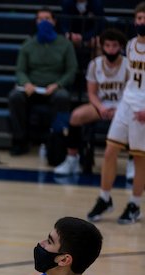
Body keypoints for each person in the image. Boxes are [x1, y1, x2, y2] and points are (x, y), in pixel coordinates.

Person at [87, 3, 145, 225]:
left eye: (144, 18)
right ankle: (105, 199)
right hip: (126, 103)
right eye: (139, 18)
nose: (141, 22)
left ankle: (134, 205)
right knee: (110, 152)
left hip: (142, 109)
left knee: (139, 159)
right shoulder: (130, 45)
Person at [54, 29, 128, 177]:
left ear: (121, 47)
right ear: (102, 47)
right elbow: (92, 94)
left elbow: (132, 94)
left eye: (114, 46)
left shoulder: (129, 65)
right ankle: (72, 160)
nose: (111, 49)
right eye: (107, 45)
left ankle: (132, 162)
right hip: (100, 105)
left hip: (123, 105)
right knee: (76, 116)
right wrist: (100, 107)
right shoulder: (94, 65)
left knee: (135, 119)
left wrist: (120, 108)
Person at [8, 8, 78, 156]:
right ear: (36, 22)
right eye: (40, 19)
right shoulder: (28, 44)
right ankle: (20, 140)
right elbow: (20, 70)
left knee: (62, 97)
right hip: (31, 88)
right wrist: (26, 83)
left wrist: (58, 84)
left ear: (54, 21)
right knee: (15, 96)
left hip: (54, 87)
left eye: (47, 18)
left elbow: (72, 70)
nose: (43, 21)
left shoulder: (65, 44)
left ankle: (58, 140)